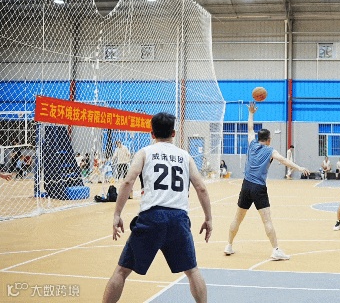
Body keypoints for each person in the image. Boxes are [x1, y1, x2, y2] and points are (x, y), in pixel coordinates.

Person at [102, 112, 212, 303]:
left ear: (152, 133)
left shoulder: (145, 152)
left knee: (121, 271)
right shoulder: (185, 156)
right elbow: (201, 188)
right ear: (173, 133)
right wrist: (208, 218)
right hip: (178, 219)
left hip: (151, 217)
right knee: (192, 271)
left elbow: (128, 181)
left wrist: (117, 214)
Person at [224, 102, 309, 260]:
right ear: (269, 140)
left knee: (237, 218)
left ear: (259, 138)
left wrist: (251, 113)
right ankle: (275, 250)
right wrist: (299, 167)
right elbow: (284, 160)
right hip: (259, 188)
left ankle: (228, 245)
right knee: (267, 221)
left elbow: (250, 128)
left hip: (246, 186)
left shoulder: (252, 144)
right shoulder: (271, 151)